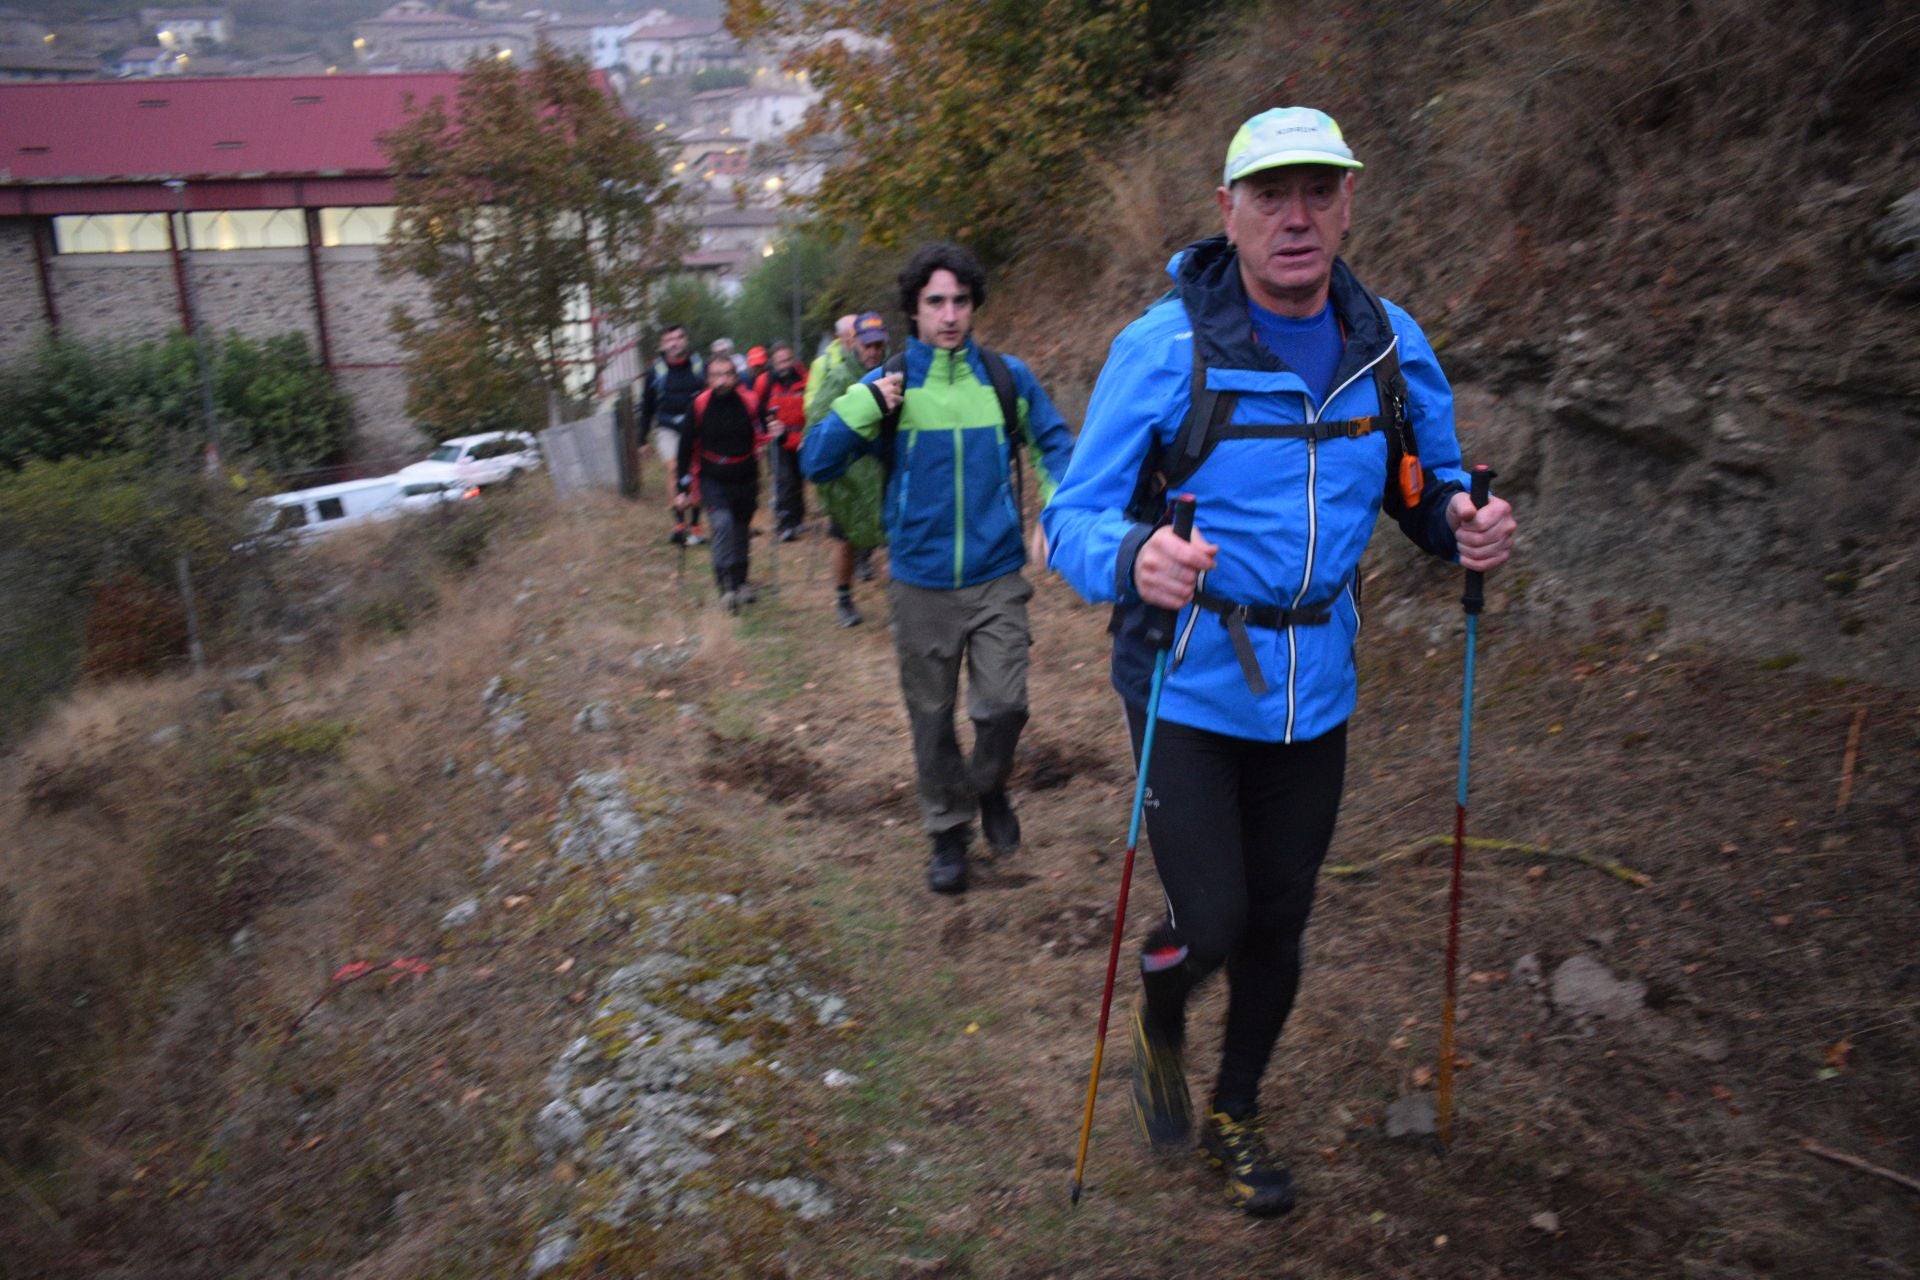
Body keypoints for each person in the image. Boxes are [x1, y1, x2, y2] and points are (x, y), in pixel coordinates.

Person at [1041, 107, 1517, 1216]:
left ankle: (1235, 1111)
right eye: (1270, 194)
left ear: (1348, 202)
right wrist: (1133, 555)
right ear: (1229, 212)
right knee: (1210, 918)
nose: (1295, 216)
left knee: (1278, 924)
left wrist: (1469, 523)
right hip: (1186, 677)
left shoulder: (1390, 346)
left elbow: (1426, 489)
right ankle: (1163, 1018)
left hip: (1322, 685)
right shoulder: (1163, 348)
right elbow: (1069, 517)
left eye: (1317, 191)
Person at [802, 244, 1075, 894]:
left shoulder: (1007, 378)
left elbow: (1055, 443)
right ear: (914, 312)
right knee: (931, 717)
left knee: (1004, 707)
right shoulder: (889, 386)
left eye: (960, 301)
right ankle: (948, 834)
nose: (950, 315)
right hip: (919, 582)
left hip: (997, 576)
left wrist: (1061, 509)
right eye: (935, 303)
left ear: (973, 305)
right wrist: (867, 403)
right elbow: (817, 459)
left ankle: (987, 788)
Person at [807, 311, 889, 627]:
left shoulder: (891, 372)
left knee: (891, 540)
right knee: (844, 539)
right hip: (848, 477)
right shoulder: (839, 378)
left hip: (882, 473)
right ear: (854, 343)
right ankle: (844, 598)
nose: (873, 351)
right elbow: (817, 427)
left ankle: (899, 606)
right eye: (868, 345)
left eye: (878, 345)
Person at [676, 355, 765, 612]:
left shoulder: (750, 402)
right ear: (708, 379)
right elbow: (684, 448)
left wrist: (777, 432)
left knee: (740, 531)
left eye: (727, 374)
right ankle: (725, 585)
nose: (722, 381)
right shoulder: (699, 405)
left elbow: (765, 430)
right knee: (722, 525)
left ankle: (740, 581)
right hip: (712, 477)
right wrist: (683, 488)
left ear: (736, 377)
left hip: (745, 476)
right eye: (716, 375)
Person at [640, 323, 705, 545]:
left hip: (695, 426)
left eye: (678, 338)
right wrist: (642, 440)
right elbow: (647, 405)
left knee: (696, 473)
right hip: (667, 427)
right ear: (663, 345)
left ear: (685, 340)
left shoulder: (698, 367)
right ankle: (679, 523)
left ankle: (695, 524)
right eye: (670, 340)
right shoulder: (655, 372)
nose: (675, 343)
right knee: (675, 468)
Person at [752, 340, 810, 540]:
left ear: (793, 360)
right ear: (773, 362)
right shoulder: (764, 381)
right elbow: (756, 407)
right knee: (783, 479)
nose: (784, 365)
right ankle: (784, 524)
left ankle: (797, 519)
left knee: (798, 478)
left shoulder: (805, 378)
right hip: (777, 437)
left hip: (801, 436)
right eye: (780, 362)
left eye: (787, 360)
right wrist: (764, 430)